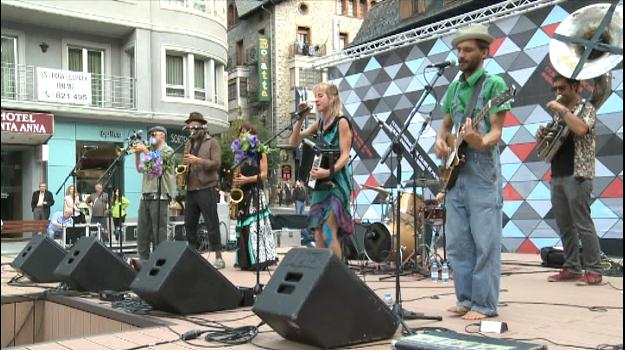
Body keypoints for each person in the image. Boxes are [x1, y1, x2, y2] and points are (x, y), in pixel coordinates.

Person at [434, 24, 511, 321]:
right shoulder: (454, 86)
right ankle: (465, 298)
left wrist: (479, 141)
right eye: (459, 50)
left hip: (482, 174)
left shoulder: (495, 86)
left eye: (467, 50)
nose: (461, 55)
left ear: (484, 51)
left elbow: (495, 133)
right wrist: (441, 140)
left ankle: (484, 304)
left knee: (485, 242)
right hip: (455, 176)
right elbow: (446, 125)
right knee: (457, 243)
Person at [537, 73, 602, 285]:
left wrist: (562, 110)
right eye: (555, 88)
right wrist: (542, 135)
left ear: (575, 87)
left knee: (583, 224)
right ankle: (572, 267)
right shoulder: (559, 114)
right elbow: (554, 142)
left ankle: (594, 270)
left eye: (562, 88)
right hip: (558, 174)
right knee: (565, 225)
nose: (557, 92)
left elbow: (582, 129)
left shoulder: (587, 108)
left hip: (578, 174)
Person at [289, 82, 354, 258]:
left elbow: (345, 156)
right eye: (315, 96)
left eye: (320, 96)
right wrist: (301, 119)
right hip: (320, 187)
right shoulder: (319, 123)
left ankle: (338, 276)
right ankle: (323, 275)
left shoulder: (342, 123)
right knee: (317, 233)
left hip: (337, 184)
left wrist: (328, 172)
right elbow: (293, 142)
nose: (316, 100)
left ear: (332, 98)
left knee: (327, 230)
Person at [182, 112, 225, 269]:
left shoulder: (212, 142)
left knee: (211, 222)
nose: (192, 129)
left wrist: (198, 161)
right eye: (190, 126)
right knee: (189, 224)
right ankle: (191, 255)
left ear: (202, 127)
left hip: (207, 187)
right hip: (191, 188)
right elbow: (186, 163)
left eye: (195, 126)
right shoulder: (188, 144)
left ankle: (218, 257)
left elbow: (217, 163)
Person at [232, 123, 277, 271]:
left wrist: (247, 180)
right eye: (241, 132)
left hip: (255, 193)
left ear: (252, 135)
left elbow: (264, 175)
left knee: (255, 227)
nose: (242, 135)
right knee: (243, 226)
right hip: (242, 194)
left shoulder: (260, 151)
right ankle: (245, 260)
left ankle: (258, 259)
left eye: (245, 132)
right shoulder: (239, 154)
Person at [133, 126, 176, 264]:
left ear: (162, 135)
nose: (151, 136)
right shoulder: (150, 152)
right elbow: (140, 169)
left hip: (160, 197)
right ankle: (143, 263)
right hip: (145, 196)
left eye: (153, 134)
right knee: (142, 233)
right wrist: (137, 155)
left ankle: (160, 264)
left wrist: (145, 150)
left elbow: (158, 168)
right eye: (150, 134)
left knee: (159, 234)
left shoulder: (168, 151)